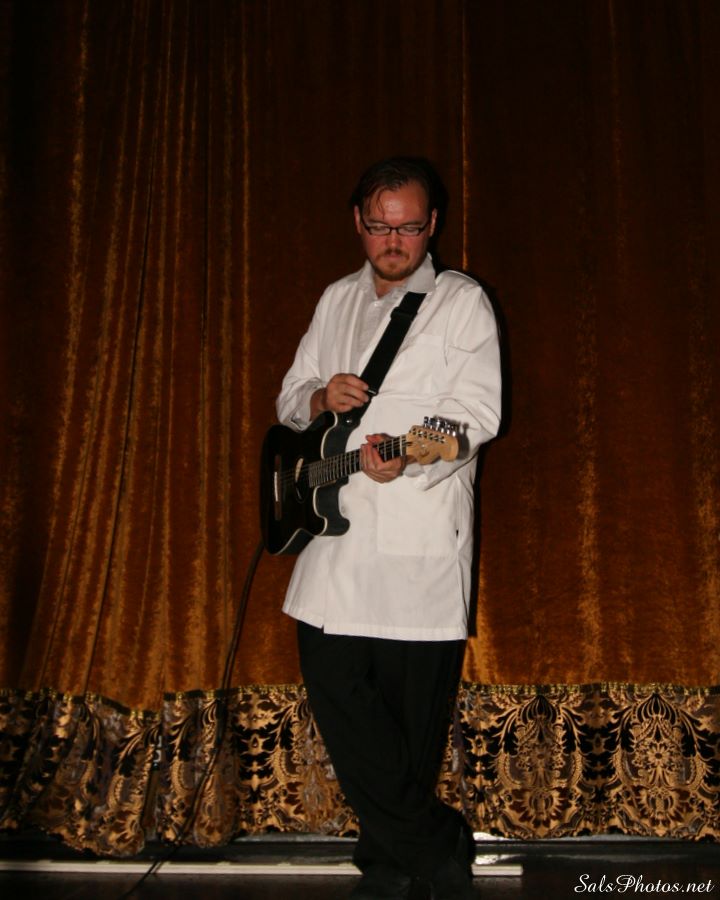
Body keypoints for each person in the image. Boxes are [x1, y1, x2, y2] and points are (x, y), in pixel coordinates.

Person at [275, 157, 502, 900]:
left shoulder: (461, 303)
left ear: (431, 225)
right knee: (338, 692)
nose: (394, 241)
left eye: (408, 227)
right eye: (380, 226)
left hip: (418, 547)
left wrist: (407, 456)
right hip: (332, 546)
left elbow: (476, 416)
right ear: (358, 222)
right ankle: (438, 850)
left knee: (410, 728)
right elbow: (289, 399)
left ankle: (388, 865)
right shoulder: (335, 299)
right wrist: (318, 397)